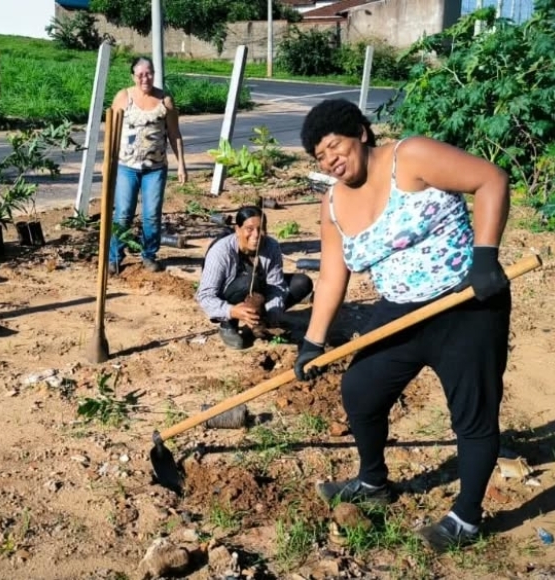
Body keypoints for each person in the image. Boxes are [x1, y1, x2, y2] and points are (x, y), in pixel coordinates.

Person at [295, 99, 511, 553]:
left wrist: (486, 257)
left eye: (335, 145)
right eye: (320, 156)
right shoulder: (332, 202)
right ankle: (374, 481)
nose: (331, 159)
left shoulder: (408, 158)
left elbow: (490, 179)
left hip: (464, 302)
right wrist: (312, 342)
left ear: (361, 133)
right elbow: (334, 274)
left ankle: (466, 518)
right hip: (400, 310)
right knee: (360, 390)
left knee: (472, 415)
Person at [108, 56, 187, 275]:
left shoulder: (165, 100)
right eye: (141, 74)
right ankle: (114, 257)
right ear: (133, 76)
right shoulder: (123, 97)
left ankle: (149, 256)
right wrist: (109, 163)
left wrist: (181, 164)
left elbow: (174, 134)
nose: (146, 78)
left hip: (155, 169)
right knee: (123, 213)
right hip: (126, 167)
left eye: (149, 73)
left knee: (151, 215)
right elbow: (111, 132)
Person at [196, 206, 314, 350]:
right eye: (249, 229)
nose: (256, 234)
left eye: (261, 228)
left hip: (259, 292)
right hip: (230, 295)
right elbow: (205, 296)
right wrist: (231, 311)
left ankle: (258, 321)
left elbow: (276, 285)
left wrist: (271, 313)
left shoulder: (271, 246)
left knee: (301, 283)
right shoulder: (221, 252)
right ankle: (228, 325)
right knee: (247, 282)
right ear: (237, 230)